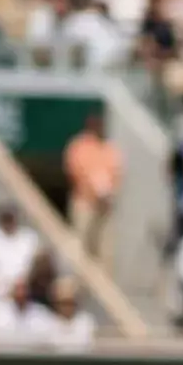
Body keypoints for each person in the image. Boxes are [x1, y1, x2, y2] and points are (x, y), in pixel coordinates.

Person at [62, 110, 121, 262]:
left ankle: (101, 283)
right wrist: (93, 189)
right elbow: (74, 171)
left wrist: (108, 192)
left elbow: (117, 173)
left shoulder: (108, 147)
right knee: (80, 246)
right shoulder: (79, 146)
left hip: (105, 206)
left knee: (104, 250)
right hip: (84, 202)